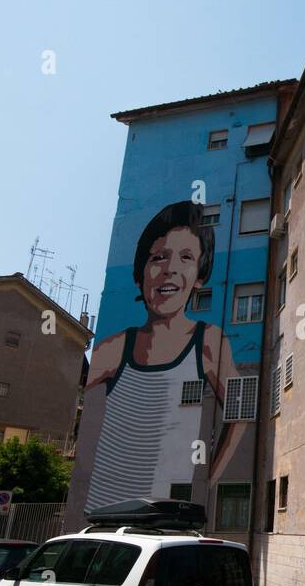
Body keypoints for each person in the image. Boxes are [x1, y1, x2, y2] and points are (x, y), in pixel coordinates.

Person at [85, 201, 244, 509]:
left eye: (186, 258)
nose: (170, 268)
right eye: (158, 257)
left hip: (167, 513)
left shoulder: (209, 341)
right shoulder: (112, 350)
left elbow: (240, 413)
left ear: (200, 276)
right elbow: (88, 431)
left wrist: (208, 480)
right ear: (140, 273)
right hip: (105, 512)